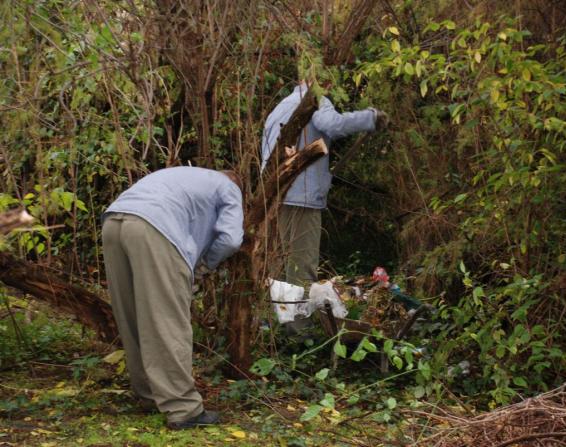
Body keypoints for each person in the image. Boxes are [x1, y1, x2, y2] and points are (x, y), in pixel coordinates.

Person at [101, 167, 243, 429]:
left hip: (113, 223)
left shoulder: (183, 176)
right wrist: (204, 266)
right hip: (155, 229)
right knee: (167, 319)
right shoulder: (228, 186)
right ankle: (182, 407)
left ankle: (149, 395)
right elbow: (232, 239)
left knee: (131, 316)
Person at [261, 81, 387, 291]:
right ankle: (300, 323)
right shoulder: (314, 100)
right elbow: (334, 124)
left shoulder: (281, 107)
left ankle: (275, 321)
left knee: (278, 270)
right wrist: (370, 118)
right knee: (301, 270)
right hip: (301, 198)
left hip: (275, 197)